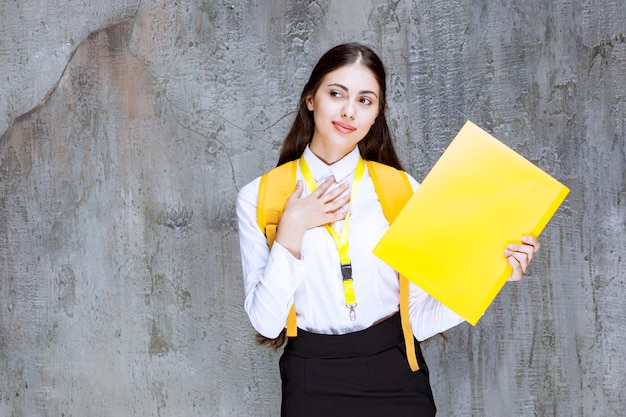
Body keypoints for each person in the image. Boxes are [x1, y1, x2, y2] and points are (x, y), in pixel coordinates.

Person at [236, 43, 540, 417]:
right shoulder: (259, 196)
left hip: (396, 374)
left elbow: (418, 319)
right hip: (310, 378)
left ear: (377, 112)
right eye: (336, 94)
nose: (349, 110)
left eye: (366, 100)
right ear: (310, 99)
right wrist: (292, 227)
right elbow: (266, 322)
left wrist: (491, 275)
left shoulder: (402, 189)